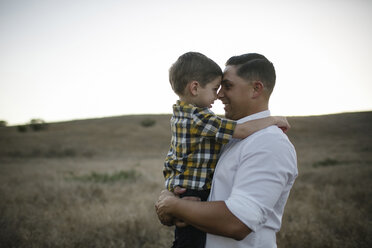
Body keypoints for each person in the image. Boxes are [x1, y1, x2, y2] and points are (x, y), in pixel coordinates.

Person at [156, 53, 298, 248]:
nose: (220, 94)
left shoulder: (269, 142)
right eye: (218, 87)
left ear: (256, 89)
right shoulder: (223, 136)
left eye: (228, 86)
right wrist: (173, 199)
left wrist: (176, 206)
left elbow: (238, 222)